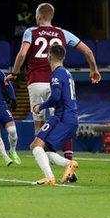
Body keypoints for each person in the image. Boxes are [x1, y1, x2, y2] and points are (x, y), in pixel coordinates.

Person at [7, 3, 100, 161]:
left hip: (35, 82)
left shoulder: (31, 32)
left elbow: (22, 54)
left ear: (38, 16)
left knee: (39, 124)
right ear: (51, 17)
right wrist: (94, 70)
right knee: (62, 119)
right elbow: (88, 50)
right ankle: (68, 159)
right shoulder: (63, 33)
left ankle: (45, 162)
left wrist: (14, 73)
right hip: (57, 80)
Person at [30, 44, 79, 185]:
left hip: (62, 118)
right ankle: (69, 164)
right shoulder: (67, 73)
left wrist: (40, 106)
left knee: (36, 147)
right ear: (63, 57)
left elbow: (56, 97)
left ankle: (50, 177)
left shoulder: (57, 74)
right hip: (68, 117)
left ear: (49, 56)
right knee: (40, 147)